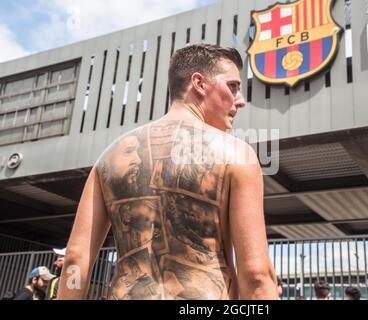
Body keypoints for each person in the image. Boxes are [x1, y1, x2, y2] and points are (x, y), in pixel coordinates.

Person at [58, 44, 278, 300]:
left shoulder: (110, 157)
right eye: (232, 87)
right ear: (200, 83)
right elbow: (256, 274)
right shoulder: (237, 154)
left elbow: (75, 258)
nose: (240, 101)